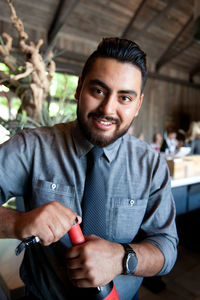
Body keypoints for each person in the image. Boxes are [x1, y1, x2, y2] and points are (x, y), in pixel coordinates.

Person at [0, 38, 178, 300]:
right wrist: (19, 222)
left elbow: (166, 247)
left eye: (124, 97)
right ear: (79, 87)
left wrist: (122, 258)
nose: (107, 109)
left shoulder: (151, 166)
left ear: (138, 105)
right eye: (98, 91)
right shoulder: (32, 147)